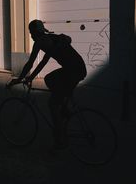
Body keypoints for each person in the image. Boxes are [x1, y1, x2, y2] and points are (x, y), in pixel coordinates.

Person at [7, 19, 87, 149]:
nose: (31, 36)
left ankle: (59, 141)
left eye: (31, 33)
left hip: (74, 71)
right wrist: (30, 77)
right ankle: (64, 105)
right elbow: (41, 61)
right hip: (77, 69)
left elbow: (33, 62)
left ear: (35, 32)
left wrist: (20, 79)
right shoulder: (50, 38)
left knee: (52, 104)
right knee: (51, 80)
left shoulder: (41, 42)